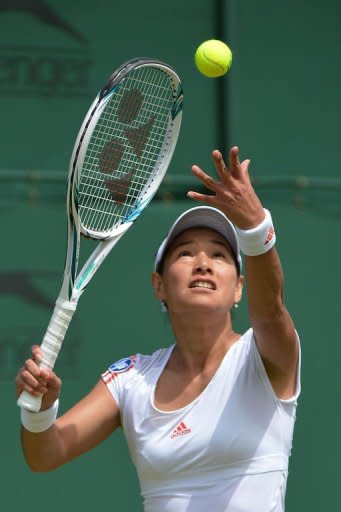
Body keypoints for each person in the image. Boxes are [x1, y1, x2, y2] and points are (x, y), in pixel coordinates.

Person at [16, 146, 300, 512]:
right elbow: (45, 454)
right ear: (159, 285)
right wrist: (41, 409)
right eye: (185, 253)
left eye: (219, 255)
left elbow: (272, 309)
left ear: (239, 288)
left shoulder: (266, 355)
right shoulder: (130, 380)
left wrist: (255, 227)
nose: (202, 263)